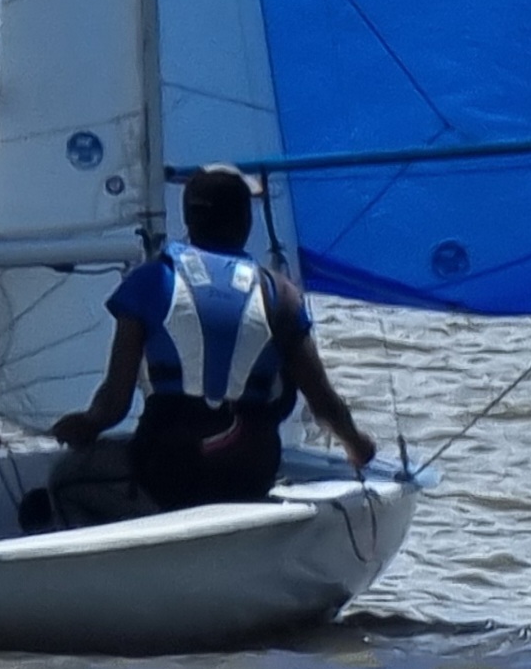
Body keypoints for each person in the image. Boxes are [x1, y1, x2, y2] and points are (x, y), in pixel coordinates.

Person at [50, 164, 377, 511]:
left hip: (166, 469)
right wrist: (358, 445)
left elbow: (115, 404)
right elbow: (323, 401)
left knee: (65, 478)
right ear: (245, 222)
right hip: (250, 471)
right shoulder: (281, 294)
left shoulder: (150, 281)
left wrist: (86, 424)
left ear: (188, 221)